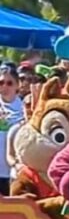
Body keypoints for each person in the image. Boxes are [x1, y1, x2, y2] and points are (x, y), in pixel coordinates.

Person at [0, 64, 26, 195]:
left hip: (13, 173)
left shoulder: (25, 108)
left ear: (17, 85)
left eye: (9, 83)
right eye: (1, 82)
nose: (4, 87)